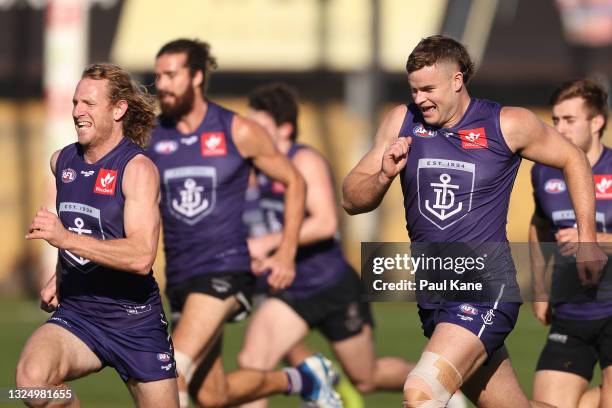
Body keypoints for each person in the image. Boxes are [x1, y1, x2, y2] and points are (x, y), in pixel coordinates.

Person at [341, 35, 607, 407]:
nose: (419, 99)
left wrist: (588, 239)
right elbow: (351, 199)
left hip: (485, 290)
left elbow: (574, 159)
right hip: (434, 292)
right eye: (414, 90)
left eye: (428, 89)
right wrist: (383, 175)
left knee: (421, 392)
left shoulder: (508, 123)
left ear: (457, 80)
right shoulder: (401, 121)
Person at [237, 83, 466, 408]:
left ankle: (440, 386)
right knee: (253, 362)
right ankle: (316, 383)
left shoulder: (303, 160)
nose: (250, 133)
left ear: (284, 128)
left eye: (259, 126)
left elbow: (326, 222)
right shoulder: (255, 168)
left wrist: (268, 244)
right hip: (290, 289)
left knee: (366, 377)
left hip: (330, 286)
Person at [147, 39, 341, 408]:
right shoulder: (153, 136)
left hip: (224, 270)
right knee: (212, 394)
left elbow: (295, 181)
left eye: (171, 75)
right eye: (158, 76)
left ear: (197, 77)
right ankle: (303, 378)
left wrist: (285, 252)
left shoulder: (238, 130)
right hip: (180, 276)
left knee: (172, 374)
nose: (163, 84)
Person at [16, 63, 179, 407]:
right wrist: (61, 275)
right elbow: (81, 228)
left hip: (135, 321)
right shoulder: (61, 161)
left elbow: (140, 256)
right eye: (76, 103)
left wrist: (65, 240)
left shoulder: (137, 169)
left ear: (118, 109)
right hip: (79, 314)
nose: (77, 112)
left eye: (89, 104)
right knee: (32, 383)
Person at [530, 79, 611, 408]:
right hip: (571, 312)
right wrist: (540, 289)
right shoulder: (543, 172)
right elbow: (538, 226)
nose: (559, 129)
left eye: (569, 120)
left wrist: (593, 239)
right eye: (555, 120)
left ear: (597, 123)